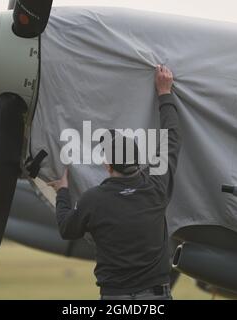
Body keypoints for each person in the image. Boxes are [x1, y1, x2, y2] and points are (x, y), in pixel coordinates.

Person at [48, 65, 181, 300]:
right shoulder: (156, 187)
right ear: (139, 162)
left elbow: (67, 229)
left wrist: (62, 192)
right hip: (156, 297)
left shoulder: (93, 200)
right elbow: (172, 136)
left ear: (108, 166)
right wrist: (164, 93)